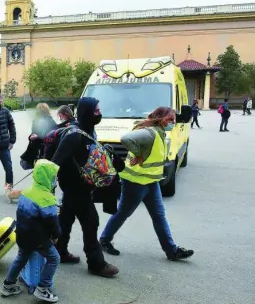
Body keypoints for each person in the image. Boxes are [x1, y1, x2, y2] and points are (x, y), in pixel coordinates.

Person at [99, 107, 195, 261]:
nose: (173, 123)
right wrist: (138, 154)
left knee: (159, 215)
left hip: (151, 182)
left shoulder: (160, 132)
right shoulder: (150, 133)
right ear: (160, 118)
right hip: (135, 183)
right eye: (170, 119)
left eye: (174, 120)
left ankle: (172, 251)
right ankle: (104, 240)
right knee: (124, 212)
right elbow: (126, 138)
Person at [51, 97, 119, 277]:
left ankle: (59, 251)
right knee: (91, 223)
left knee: (65, 220)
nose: (99, 113)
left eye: (99, 110)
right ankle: (96, 264)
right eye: (96, 111)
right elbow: (55, 162)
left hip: (81, 187)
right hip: (75, 188)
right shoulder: (74, 135)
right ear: (87, 112)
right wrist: (48, 188)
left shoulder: (88, 131)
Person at [0, 159, 61, 302]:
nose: (55, 179)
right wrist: (56, 236)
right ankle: (43, 288)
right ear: (47, 177)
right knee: (54, 258)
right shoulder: (47, 199)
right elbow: (53, 223)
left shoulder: (26, 192)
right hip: (39, 239)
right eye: (53, 176)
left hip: (22, 235)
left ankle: (7, 285)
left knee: (21, 258)